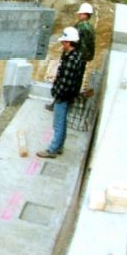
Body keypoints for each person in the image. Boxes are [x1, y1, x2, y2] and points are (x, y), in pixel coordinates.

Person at [37, 26, 88, 159]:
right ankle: (59, 146)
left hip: (63, 96)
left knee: (58, 123)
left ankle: (52, 149)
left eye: (63, 42)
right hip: (68, 95)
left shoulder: (71, 60)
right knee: (62, 122)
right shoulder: (75, 55)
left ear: (68, 42)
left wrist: (57, 94)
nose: (62, 44)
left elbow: (65, 81)